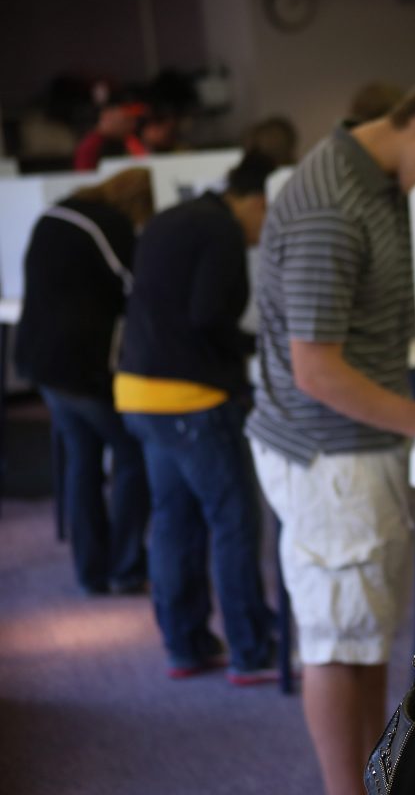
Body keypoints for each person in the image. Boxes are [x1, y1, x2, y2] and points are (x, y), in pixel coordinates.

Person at [246, 70, 415, 795]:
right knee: (336, 642)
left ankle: (363, 781)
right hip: (328, 453)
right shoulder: (332, 204)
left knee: (362, 640)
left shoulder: (380, 191)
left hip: (356, 446)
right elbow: (317, 371)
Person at [115, 152, 279, 684]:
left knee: (173, 522)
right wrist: (253, 347)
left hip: (138, 390)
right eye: (267, 217)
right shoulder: (222, 231)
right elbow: (208, 314)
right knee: (232, 521)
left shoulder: (172, 216)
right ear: (254, 203)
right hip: (192, 399)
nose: (264, 232)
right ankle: (251, 650)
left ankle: (185, 645)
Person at [14, 168, 154, 595]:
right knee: (131, 454)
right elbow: (138, 288)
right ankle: (126, 565)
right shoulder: (109, 227)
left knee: (82, 461)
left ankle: (91, 570)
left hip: (41, 362)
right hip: (82, 366)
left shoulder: (55, 215)